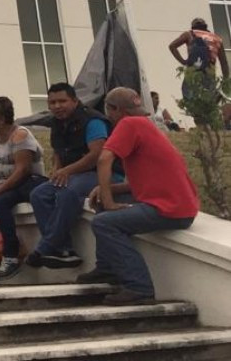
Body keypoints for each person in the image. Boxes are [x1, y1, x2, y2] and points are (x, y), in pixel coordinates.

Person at [77, 87, 199, 305]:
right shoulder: (147, 126)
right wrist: (108, 191)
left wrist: (109, 199)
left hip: (168, 208)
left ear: (113, 110)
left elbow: (104, 159)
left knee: (105, 224)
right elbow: (142, 182)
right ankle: (107, 268)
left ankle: (139, 287)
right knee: (104, 209)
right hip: (180, 205)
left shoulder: (129, 124)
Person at [27, 82, 111, 269]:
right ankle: (64, 251)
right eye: (52, 102)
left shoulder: (92, 120)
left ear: (75, 101)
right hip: (73, 173)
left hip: (99, 173)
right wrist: (57, 170)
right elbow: (58, 151)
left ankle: (45, 247)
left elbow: (97, 155)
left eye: (62, 101)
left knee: (68, 193)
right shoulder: (56, 123)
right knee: (38, 194)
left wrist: (67, 171)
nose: (57, 106)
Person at [0, 96, 46, 279]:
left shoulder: (20, 135)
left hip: (23, 183)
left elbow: (22, 170)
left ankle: (11, 254)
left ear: (1, 119)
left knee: (1, 203)